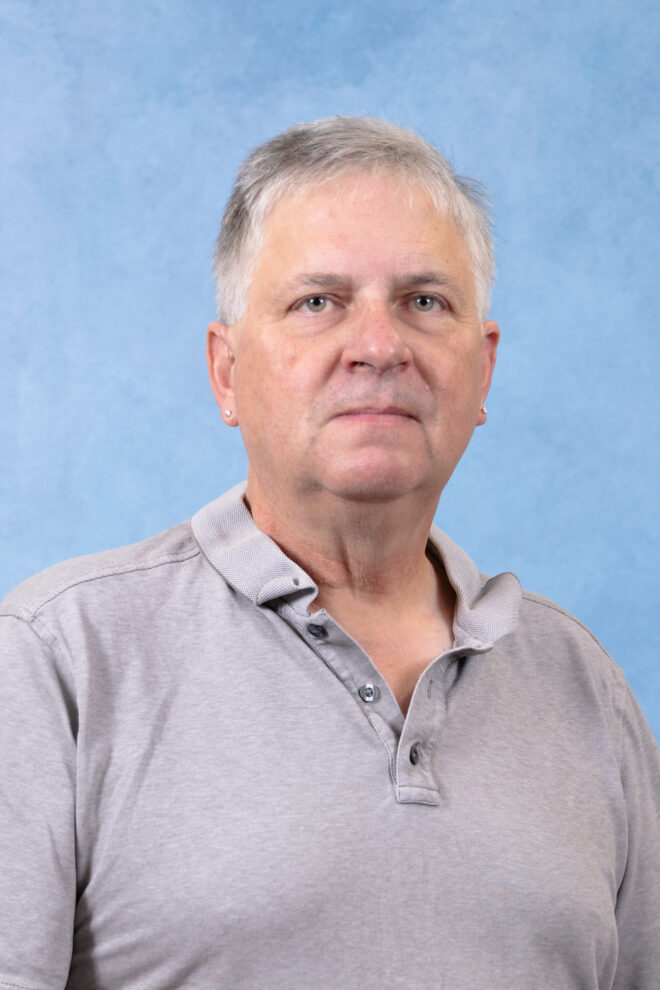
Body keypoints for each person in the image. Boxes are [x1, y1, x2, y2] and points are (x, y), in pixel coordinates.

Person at [1, 117, 658, 990]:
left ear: (484, 370)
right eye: (319, 302)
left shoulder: (587, 691)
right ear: (227, 372)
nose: (379, 347)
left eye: (425, 301)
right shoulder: (59, 661)